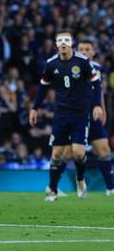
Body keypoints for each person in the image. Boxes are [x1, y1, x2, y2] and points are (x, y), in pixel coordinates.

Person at [29, 30, 103, 202]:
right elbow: (42, 88)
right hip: (61, 115)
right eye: (60, 40)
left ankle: (80, 179)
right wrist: (35, 108)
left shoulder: (83, 62)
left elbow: (96, 83)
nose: (63, 43)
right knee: (56, 155)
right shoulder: (51, 64)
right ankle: (53, 190)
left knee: (78, 153)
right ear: (56, 44)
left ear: (71, 43)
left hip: (80, 115)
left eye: (66, 40)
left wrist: (97, 105)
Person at [51, 40, 113, 196]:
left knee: (104, 149)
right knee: (68, 153)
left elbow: (100, 92)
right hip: (76, 115)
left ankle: (110, 188)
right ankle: (53, 187)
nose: (84, 51)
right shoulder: (69, 66)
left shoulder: (98, 69)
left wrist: (103, 110)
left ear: (93, 52)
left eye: (87, 49)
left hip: (93, 115)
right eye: (81, 49)